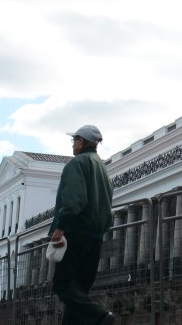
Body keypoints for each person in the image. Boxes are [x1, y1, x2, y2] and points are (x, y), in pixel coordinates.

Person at [49, 125, 115, 325]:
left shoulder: (77, 164)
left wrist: (60, 227)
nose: (73, 144)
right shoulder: (102, 168)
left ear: (82, 142)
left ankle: (100, 316)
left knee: (62, 283)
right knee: (78, 289)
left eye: (74, 140)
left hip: (75, 232)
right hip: (95, 236)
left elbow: (74, 201)